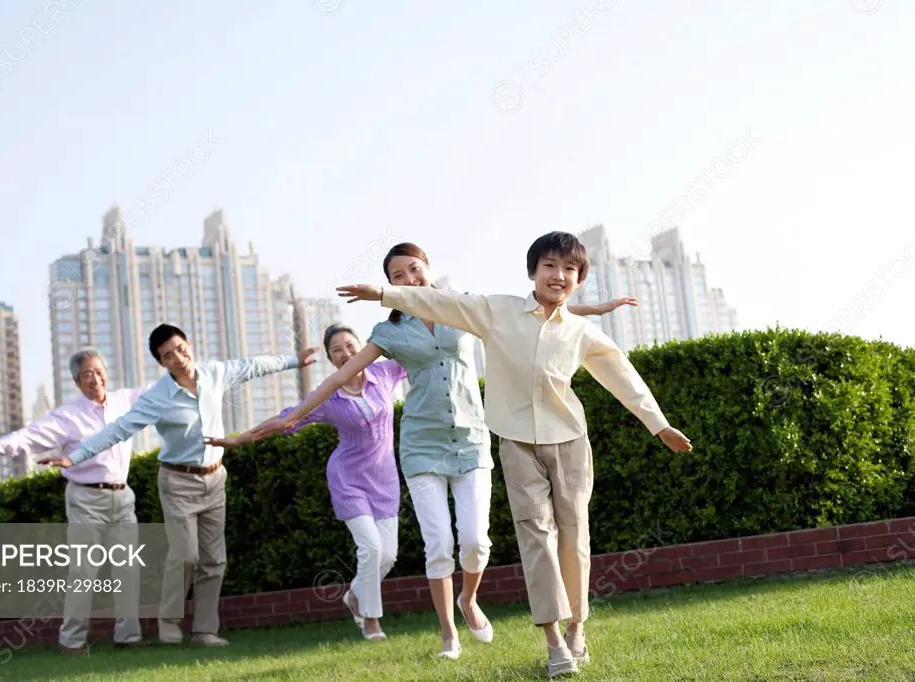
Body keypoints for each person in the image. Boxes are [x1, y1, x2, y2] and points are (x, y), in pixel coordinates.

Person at [250, 243, 636, 660]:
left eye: (414, 270)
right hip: (421, 445)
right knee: (438, 545)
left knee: (474, 542)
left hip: (470, 438)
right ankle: (449, 637)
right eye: (397, 277)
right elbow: (343, 374)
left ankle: (468, 600)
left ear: (429, 269)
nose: (409, 280)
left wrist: (593, 310)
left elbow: (528, 316)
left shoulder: (462, 308)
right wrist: (293, 416)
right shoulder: (389, 333)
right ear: (391, 285)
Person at [335, 232, 693, 678]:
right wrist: (383, 293)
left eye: (568, 269)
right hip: (516, 442)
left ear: (579, 279)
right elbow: (441, 304)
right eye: (549, 266)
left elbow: (621, 374)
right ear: (533, 272)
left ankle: (578, 625)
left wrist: (658, 424)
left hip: (570, 443)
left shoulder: (580, 331)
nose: (558, 275)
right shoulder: (498, 310)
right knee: (535, 536)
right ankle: (553, 640)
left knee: (574, 535)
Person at [39, 323, 319, 648]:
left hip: (215, 478)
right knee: (186, 556)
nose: (178, 357)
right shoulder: (157, 397)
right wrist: (76, 457)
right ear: (162, 363)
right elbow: (118, 429)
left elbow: (251, 366)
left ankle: (204, 631)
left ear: (189, 344)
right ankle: (169, 628)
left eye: (180, 349)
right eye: (167, 356)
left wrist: (294, 360)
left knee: (215, 559)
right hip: (178, 482)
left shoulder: (214, 372)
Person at [205, 324, 407, 641]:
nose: (346, 353)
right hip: (348, 479)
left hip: (385, 479)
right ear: (330, 358)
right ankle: (371, 621)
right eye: (337, 349)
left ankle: (355, 596)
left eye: (351, 346)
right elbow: (287, 419)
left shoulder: (384, 373)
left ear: (363, 347)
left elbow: (421, 356)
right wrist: (241, 438)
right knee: (370, 547)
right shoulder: (328, 396)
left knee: (388, 555)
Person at [0, 348, 154, 656]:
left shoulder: (124, 401)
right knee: (84, 572)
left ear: (106, 371)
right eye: (87, 374)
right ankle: (72, 642)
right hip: (86, 500)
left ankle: (128, 636)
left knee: (128, 569)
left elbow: (158, 390)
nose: (95, 378)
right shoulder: (68, 416)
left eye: (98, 370)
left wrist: (190, 372)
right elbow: (30, 436)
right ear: (77, 382)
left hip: (123, 497)